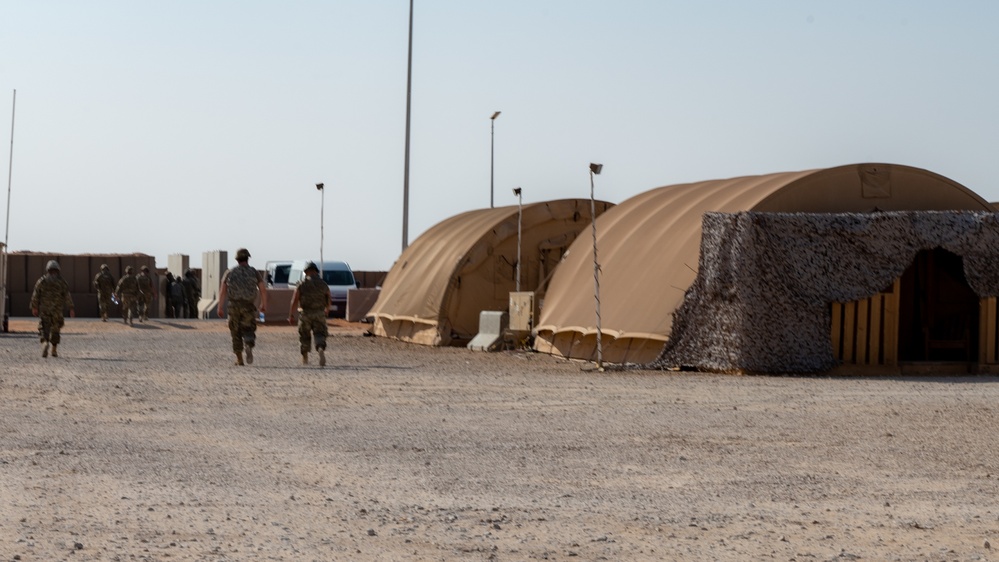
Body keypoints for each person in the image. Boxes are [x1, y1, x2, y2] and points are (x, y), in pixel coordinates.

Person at [217, 248, 267, 366]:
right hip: (248, 306)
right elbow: (263, 290)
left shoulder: (229, 272)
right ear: (247, 258)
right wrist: (263, 305)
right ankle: (249, 344)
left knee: (235, 332)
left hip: (233, 306)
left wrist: (220, 307)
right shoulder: (254, 272)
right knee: (249, 328)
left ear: (237, 259)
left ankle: (239, 359)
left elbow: (223, 291)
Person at [288, 261, 331, 366]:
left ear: (306, 272)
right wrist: (327, 310)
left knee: (304, 335)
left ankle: (305, 357)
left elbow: (294, 300)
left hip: (305, 314)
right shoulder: (323, 284)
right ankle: (320, 348)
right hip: (319, 313)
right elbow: (329, 298)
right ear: (316, 272)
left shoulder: (301, 284)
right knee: (320, 333)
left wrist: (291, 315)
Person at [30, 260, 75, 358]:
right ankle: (54, 350)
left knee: (43, 328)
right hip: (57, 310)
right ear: (58, 270)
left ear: (48, 269)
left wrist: (34, 307)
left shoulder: (42, 281)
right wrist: (71, 308)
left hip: (45, 310)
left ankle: (45, 342)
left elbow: (35, 295)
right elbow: (67, 296)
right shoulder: (62, 282)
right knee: (56, 329)